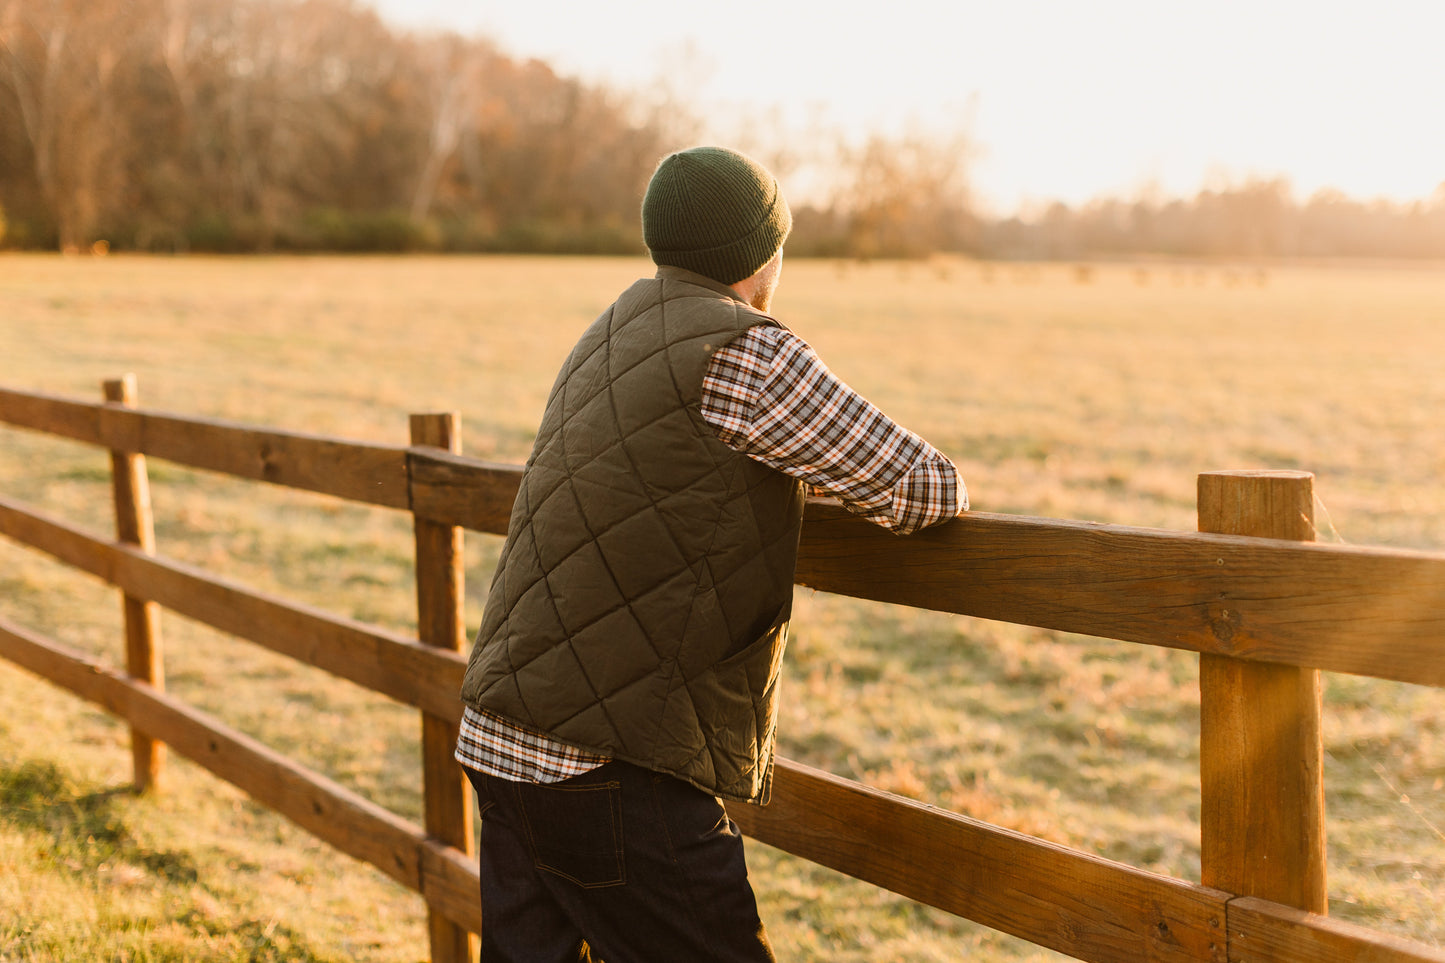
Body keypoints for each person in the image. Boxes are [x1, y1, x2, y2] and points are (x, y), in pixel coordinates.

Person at [455, 146, 966, 962]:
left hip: (501, 732)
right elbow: (924, 486)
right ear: (764, 254)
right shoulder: (747, 353)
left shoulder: (607, 330)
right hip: (606, 761)